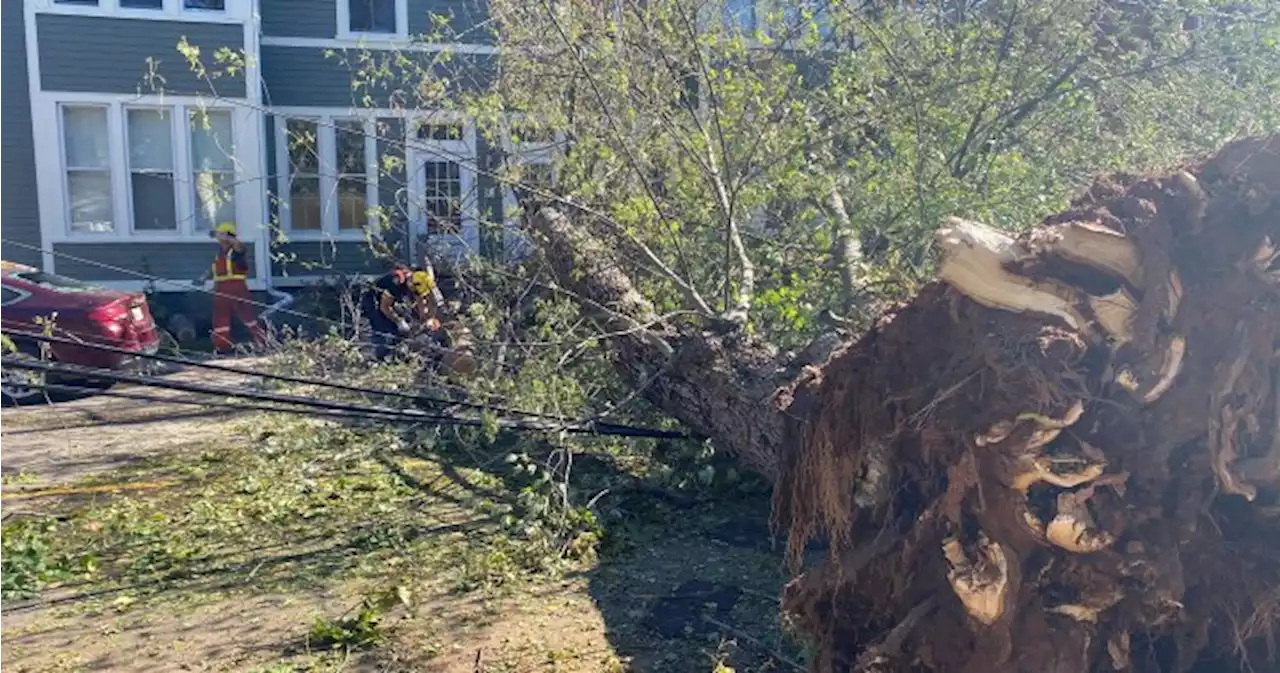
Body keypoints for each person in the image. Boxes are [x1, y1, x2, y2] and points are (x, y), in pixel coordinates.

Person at [196, 222, 266, 354]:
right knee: (220, 319)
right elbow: (213, 270)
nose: (219, 240)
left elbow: (238, 245)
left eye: (221, 236)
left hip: (237, 288)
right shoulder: (219, 255)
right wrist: (202, 279)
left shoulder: (237, 251)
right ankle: (223, 346)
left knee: (247, 316)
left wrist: (225, 235)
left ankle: (263, 342)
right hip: (221, 290)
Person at [360, 264, 443, 361]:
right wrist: (399, 321)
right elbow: (384, 307)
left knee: (402, 324)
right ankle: (381, 358)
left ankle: (397, 354)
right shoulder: (396, 282)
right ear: (411, 283)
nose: (415, 294)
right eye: (415, 291)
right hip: (373, 300)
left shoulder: (415, 279)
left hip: (390, 300)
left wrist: (424, 319)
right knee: (385, 328)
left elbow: (419, 299)